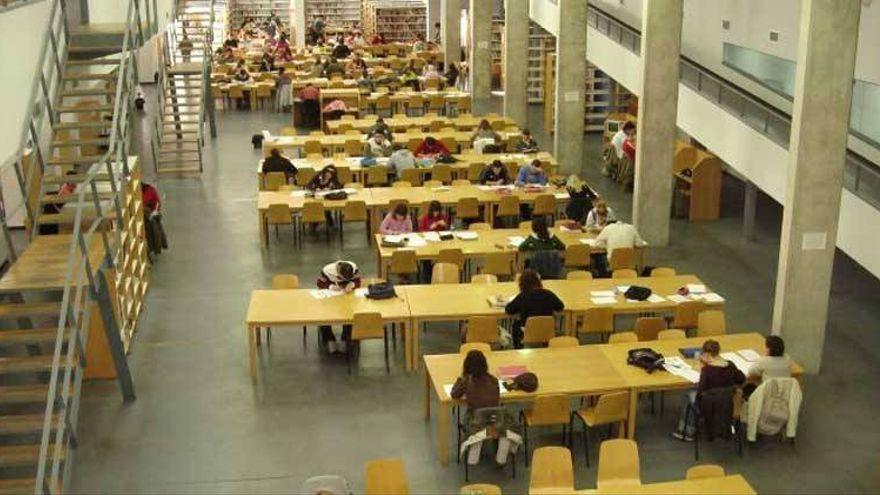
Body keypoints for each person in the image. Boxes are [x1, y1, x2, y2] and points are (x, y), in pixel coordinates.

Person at [673, 339, 746, 441]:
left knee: (689, 394)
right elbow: (741, 379)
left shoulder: (707, 370)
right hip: (728, 404)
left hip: (709, 404)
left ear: (706, 354)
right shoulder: (730, 365)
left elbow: (700, 392)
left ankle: (687, 431)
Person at [504, 269, 563, 349]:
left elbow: (508, 310)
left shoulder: (522, 296)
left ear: (522, 284)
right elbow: (560, 306)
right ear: (538, 282)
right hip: (547, 331)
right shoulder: (548, 294)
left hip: (528, 332)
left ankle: (518, 348)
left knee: (516, 325)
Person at [316, 261, 361, 354]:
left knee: (350, 313)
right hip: (330, 297)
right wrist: (330, 286)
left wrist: (352, 284)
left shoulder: (354, 268)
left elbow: (358, 281)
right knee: (325, 315)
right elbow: (319, 283)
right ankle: (329, 339)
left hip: (347, 296)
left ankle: (346, 338)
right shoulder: (327, 270)